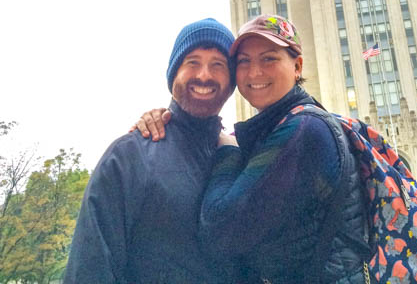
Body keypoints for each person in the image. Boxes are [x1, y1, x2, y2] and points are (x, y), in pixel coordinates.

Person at [137, 15, 370, 284]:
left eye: (269, 58)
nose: (254, 72)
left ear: (297, 66)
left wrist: (228, 151)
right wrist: (171, 121)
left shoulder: (304, 130)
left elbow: (220, 232)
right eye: (244, 61)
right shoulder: (275, 128)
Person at [64, 18, 237, 284]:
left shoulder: (240, 159)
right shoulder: (129, 156)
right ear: (173, 74)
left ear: (231, 81)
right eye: (192, 62)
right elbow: (90, 267)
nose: (204, 75)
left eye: (218, 65)